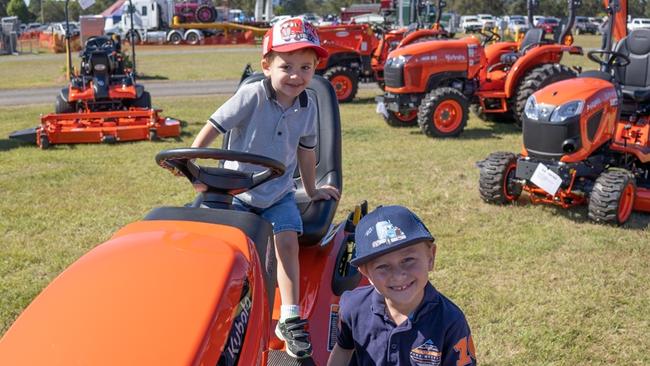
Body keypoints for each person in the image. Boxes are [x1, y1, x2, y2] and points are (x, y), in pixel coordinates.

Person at [190, 17, 340, 359]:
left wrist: (313, 189)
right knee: (227, 251)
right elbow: (214, 125)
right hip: (238, 192)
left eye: (306, 67)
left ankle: (288, 317)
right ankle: (215, 308)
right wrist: (195, 163)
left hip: (278, 193)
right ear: (266, 65)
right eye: (286, 65)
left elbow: (306, 150)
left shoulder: (308, 105)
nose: (296, 75)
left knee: (287, 242)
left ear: (315, 69)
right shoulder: (251, 95)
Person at [328, 205, 476, 365]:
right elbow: (343, 350)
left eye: (408, 260)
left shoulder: (450, 321)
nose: (398, 276)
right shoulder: (353, 307)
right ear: (365, 272)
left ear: (430, 257)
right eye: (383, 266)